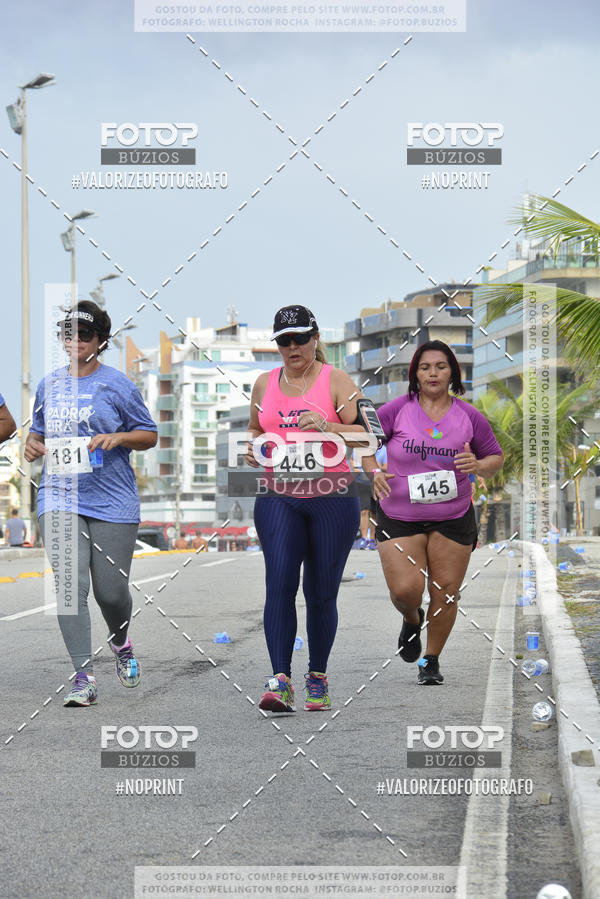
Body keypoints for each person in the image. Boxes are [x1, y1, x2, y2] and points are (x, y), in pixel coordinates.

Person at [24, 300, 157, 707]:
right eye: (69, 334)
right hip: (60, 495)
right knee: (69, 587)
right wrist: (32, 445)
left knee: (111, 593)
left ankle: (120, 643)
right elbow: (38, 435)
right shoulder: (49, 385)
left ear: (100, 341)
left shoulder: (117, 384)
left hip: (112, 499)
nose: (76, 341)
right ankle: (83, 677)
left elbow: (148, 434)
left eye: (85, 334)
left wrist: (118, 438)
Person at [246, 305, 367, 713]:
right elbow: (255, 429)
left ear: (316, 338)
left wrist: (330, 426)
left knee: (320, 593)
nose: (293, 347)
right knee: (278, 583)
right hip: (279, 495)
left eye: (300, 338)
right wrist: (251, 446)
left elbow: (372, 435)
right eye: (284, 340)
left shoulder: (337, 381)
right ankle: (280, 679)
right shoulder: (264, 384)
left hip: (332, 497)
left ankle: (317, 677)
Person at [363, 340, 503, 685]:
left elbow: (495, 458)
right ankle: (412, 620)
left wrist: (478, 464)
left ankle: (431, 659)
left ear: (452, 371)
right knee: (405, 591)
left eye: (440, 366)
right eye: (425, 367)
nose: (433, 373)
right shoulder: (396, 410)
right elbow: (366, 445)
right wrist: (373, 472)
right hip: (399, 515)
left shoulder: (469, 416)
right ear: (416, 374)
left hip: (452, 516)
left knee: (447, 590)